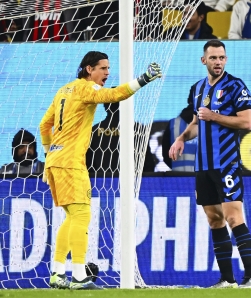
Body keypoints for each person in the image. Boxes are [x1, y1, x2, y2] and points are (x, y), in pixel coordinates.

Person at [39, 51, 161, 290]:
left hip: (56, 160)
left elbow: (44, 125)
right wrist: (144, 79)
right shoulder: (87, 88)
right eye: (103, 68)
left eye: (107, 68)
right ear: (89, 70)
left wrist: (47, 155)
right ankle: (79, 276)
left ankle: (57, 273)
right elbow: (114, 95)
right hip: (71, 161)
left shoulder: (64, 90)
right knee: (82, 216)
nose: (107, 73)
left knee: (73, 217)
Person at [168, 40, 251, 289]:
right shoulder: (198, 89)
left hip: (226, 163)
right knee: (214, 219)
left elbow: (246, 122)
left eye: (221, 57)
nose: (218, 62)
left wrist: (214, 116)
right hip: (203, 166)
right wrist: (180, 138)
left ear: (226, 60)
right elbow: (198, 122)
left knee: (233, 216)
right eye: (213, 58)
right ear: (203, 61)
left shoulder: (235, 86)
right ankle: (227, 280)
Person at [86, 102, 156, 175]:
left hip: (101, 182)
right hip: (132, 182)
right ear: (127, 106)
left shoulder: (94, 130)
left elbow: (87, 161)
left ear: (105, 106)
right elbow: (148, 162)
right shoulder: (139, 130)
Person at [162, 85, 197, 171]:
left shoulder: (173, 124)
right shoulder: (210, 123)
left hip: (179, 179)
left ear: (189, 101)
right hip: (204, 179)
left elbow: (166, 155)